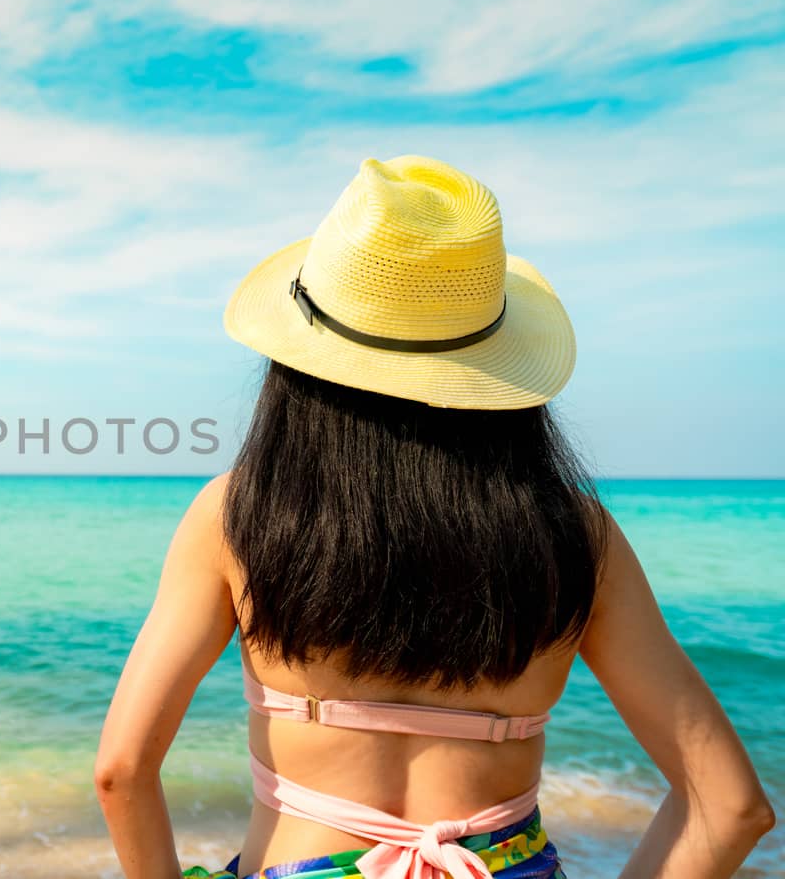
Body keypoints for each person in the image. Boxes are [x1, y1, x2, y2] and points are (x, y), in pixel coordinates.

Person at [93, 156, 775, 879]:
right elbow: (731, 806)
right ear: (498, 363)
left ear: (299, 358)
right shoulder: (578, 536)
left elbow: (122, 771)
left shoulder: (234, 516)